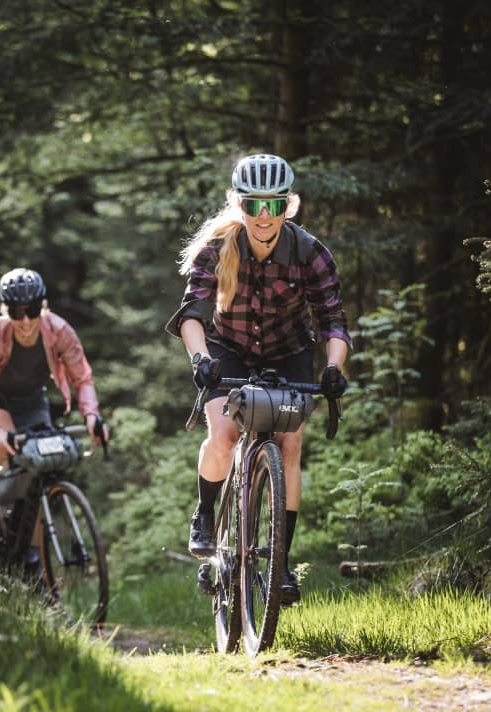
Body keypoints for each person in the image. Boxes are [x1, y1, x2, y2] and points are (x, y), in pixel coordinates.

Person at [165, 154, 351, 603]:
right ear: (239, 204)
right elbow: (192, 315)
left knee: (289, 445)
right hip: (227, 349)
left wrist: (332, 368)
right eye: (253, 204)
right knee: (224, 435)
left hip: (289, 352)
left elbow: (333, 322)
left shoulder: (309, 252)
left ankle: (280, 562)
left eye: (274, 204)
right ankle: (205, 513)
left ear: (289, 205)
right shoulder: (218, 247)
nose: (264, 216)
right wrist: (200, 359)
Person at [0, 268, 107, 544]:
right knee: (4, 446)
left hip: (32, 398)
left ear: (43, 306)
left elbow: (82, 379)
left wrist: (91, 415)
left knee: (41, 466)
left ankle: (31, 551)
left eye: (32, 311)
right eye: (16, 313)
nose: (26, 321)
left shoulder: (60, 331)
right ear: (5, 310)